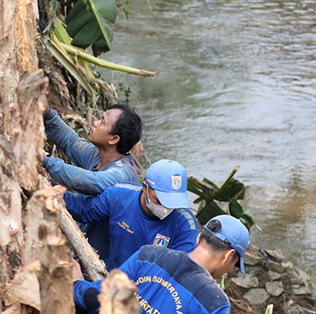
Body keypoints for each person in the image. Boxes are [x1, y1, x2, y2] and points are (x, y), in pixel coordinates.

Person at [73, 214, 250, 314]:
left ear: (198, 238)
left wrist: (76, 283)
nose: (228, 270)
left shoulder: (149, 254)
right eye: (234, 265)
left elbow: (95, 296)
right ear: (228, 255)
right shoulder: (215, 304)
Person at [43, 105, 142, 262]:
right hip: (81, 248)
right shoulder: (98, 157)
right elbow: (71, 142)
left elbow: (88, 181)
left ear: (114, 139)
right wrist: (48, 114)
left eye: (102, 122)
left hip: (103, 262)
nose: (95, 123)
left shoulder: (123, 175)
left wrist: (43, 161)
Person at [64, 159, 199, 271]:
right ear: (145, 187)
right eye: (160, 200)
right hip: (113, 281)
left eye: (173, 203)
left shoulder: (185, 225)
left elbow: (181, 270)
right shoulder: (119, 196)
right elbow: (84, 210)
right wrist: (54, 192)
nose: (166, 207)